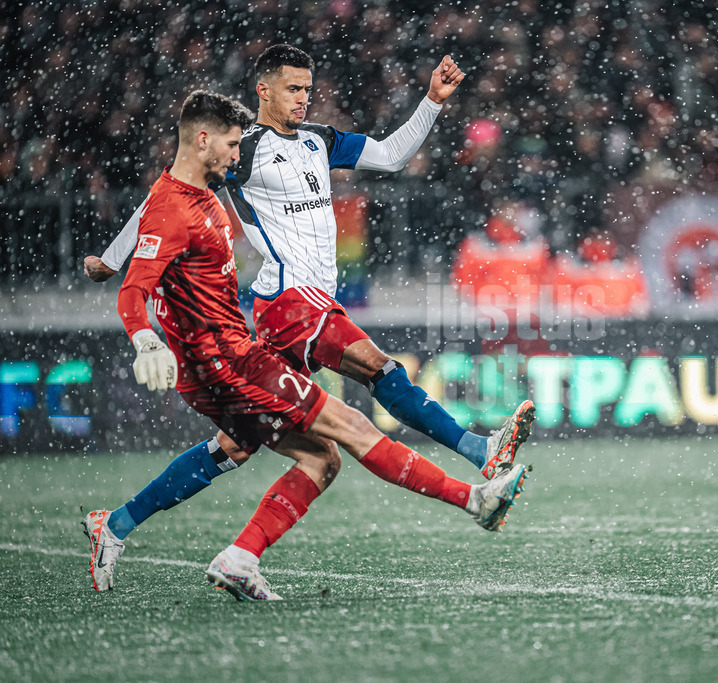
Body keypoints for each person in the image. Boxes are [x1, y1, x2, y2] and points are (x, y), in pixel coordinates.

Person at [83, 90, 530, 601]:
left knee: (314, 458)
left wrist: (107, 258)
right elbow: (134, 289)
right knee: (353, 423)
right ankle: (477, 497)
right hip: (232, 357)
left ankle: (172, 539)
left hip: (225, 358)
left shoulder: (203, 192)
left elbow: (148, 219)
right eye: (231, 145)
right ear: (204, 138)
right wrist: (145, 339)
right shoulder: (174, 207)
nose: (237, 155)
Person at [85, 45, 534, 483]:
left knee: (240, 441)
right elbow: (165, 197)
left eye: (307, 89)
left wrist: (432, 101)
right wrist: (111, 258)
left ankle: (120, 522)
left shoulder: (320, 140)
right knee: (381, 369)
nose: (303, 97)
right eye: (293, 88)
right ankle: (479, 451)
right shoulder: (245, 148)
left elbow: (391, 156)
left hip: (307, 305)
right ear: (263, 90)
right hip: (291, 300)